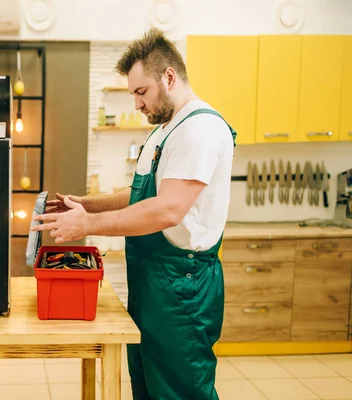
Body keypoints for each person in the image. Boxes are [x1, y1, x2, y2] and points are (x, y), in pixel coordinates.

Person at [31, 27, 237, 399]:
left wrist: (88, 224)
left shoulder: (200, 129)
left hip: (182, 286)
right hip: (153, 282)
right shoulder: (165, 131)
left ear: (169, 77)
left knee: (180, 391)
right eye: (133, 94)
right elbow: (141, 194)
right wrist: (85, 203)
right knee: (148, 386)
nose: (137, 104)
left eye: (141, 92)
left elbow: (169, 209)